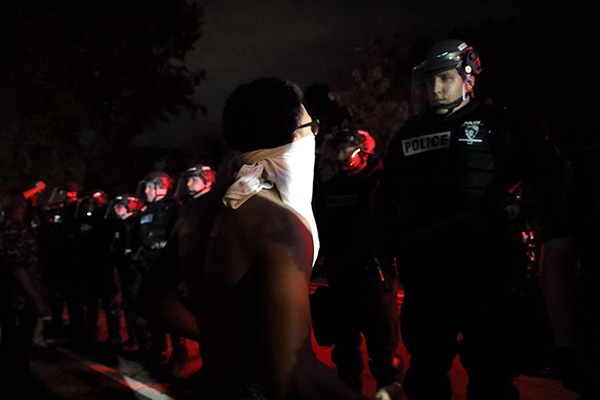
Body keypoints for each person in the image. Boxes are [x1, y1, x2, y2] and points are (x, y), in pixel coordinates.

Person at [136, 77, 405, 399]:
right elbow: (292, 377)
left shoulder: (195, 211)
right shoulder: (279, 225)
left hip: (209, 386)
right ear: (295, 137)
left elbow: (150, 299)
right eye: (311, 127)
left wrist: (214, 335)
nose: (314, 137)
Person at [378, 39, 572, 400]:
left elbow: (553, 175)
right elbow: (388, 199)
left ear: (468, 77)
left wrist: (534, 210)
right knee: (426, 374)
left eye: (445, 79)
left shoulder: (503, 124)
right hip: (427, 276)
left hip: (489, 271)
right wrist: (384, 246)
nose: (435, 90)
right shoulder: (407, 136)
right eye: (428, 81)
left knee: (492, 375)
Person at [312, 128, 403, 393]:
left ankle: (389, 392)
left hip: (375, 277)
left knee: (383, 353)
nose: (340, 157)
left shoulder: (384, 185)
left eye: (345, 151)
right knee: (344, 351)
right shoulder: (330, 190)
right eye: (337, 151)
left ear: (364, 152)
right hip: (341, 277)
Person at [0, 192, 49, 399]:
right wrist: (36, 300)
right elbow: (17, 268)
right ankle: (16, 389)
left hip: (8, 300)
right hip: (18, 301)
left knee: (10, 347)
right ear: (22, 206)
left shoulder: (4, 228)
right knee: (17, 350)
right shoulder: (16, 230)